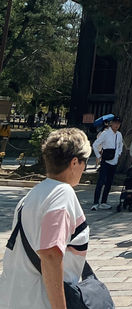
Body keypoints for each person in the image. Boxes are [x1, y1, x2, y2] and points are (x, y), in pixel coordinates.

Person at [0, 127, 97, 309]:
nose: (85, 167)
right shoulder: (62, 194)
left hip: (13, 296)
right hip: (39, 300)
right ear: (74, 162)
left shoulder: (32, 195)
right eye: (84, 161)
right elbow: (50, 253)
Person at [91, 115, 123, 210]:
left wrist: (119, 154)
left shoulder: (119, 135)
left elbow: (120, 145)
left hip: (114, 160)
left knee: (109, 182)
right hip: (105, 160)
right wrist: (98, 156)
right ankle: (96, 202)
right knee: (101, 182)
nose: (117, 125)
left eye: (118, 124)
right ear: (111, 123)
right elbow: (95, 144)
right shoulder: (105, 133)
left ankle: (104, 201)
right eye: (115, 123)